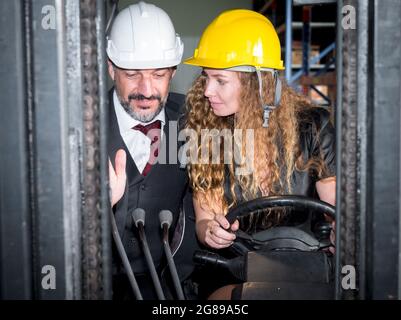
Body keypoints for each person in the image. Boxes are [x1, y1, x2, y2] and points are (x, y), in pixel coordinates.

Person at [183, 9, 336, 297]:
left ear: (259, 83)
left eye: (220, 80)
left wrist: (342, 231)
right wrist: (211, 232)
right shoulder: (206, 131)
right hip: (236, 270)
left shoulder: (313, 126)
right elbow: (205, 220)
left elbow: (335, 209)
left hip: (306, 267)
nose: (206, 91)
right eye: (206, 78)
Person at [107, 2, 198, 300]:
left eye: (158, 74)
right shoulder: (78, 127)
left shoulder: (195, 120)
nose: (146, 89)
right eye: (132, 74)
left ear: (173, 71)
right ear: (111, 68)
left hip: (169, 287)